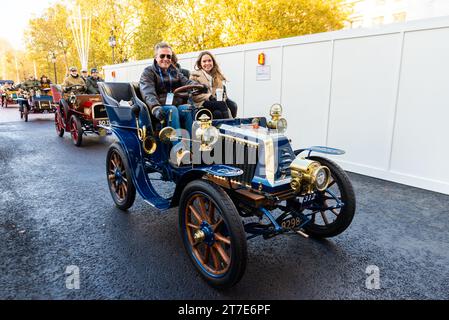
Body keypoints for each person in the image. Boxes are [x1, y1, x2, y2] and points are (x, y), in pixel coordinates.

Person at [139, 42, 204, 136]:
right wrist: (155, 107)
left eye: (168, 56)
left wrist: (199, 86)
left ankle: (192, 145)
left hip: (176, 105)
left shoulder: (175, 71)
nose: (166, 59)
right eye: (162, 56)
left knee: (188, 108)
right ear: (156, 57)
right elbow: (148, 93)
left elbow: (187, 82)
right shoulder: (148, 72)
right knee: (172, 110)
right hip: (159, 108)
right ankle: (179, 148)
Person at [190, 51, 237, 119]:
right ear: (200, 63)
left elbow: (222, 94)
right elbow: (195, 96)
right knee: (222, 104)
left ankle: (225, 126)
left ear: (213, 62)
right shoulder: (195, 76)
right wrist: (209, 96)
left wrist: (222, 98)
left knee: (224, 109)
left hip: (216, 103)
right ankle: (230, 124)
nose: (207, 63)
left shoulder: (217, 76)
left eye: (209, 60)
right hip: (202, 103)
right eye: (204, 61)